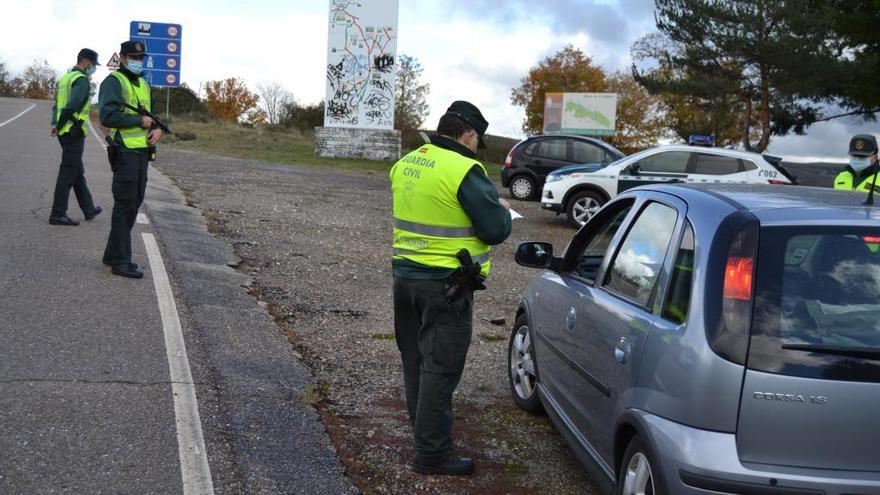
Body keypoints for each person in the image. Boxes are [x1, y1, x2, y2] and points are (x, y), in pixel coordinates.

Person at [390, 101, 512, 475]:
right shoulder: (464, 169)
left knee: (416, 362)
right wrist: (502, 209)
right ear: (469, 135)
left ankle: (423, 435)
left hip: (405, 279)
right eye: (478, 141)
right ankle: (431, 455)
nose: (476, 148)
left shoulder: (409, 161)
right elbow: (495, 230)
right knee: (440, 370)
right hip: (446, 286)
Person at [98, 41, 162, 279]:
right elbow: (107, 115)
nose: (138, 61)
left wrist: (157, 130)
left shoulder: (143, 84)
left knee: (134, 203)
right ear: (123, 58)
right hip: (124, 151)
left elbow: (152, 117)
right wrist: (138, 122)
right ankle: (122, 262)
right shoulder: (114, 82)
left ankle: (112, 254)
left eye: (141, 58)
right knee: (125, 204)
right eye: (133, 57)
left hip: (142, 152)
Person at [48, 48, 103, 226]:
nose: (94, 68)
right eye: (93, 64)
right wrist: (62, 124)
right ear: (86, 62)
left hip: (65, 132)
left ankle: (88, 208)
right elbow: (71, 106)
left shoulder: (66, 77)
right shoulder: (81, 80)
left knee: (77, 171)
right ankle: (58, 214)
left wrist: (55, 124)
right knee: (68, 173)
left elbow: (58, 104)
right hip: (74, 132)